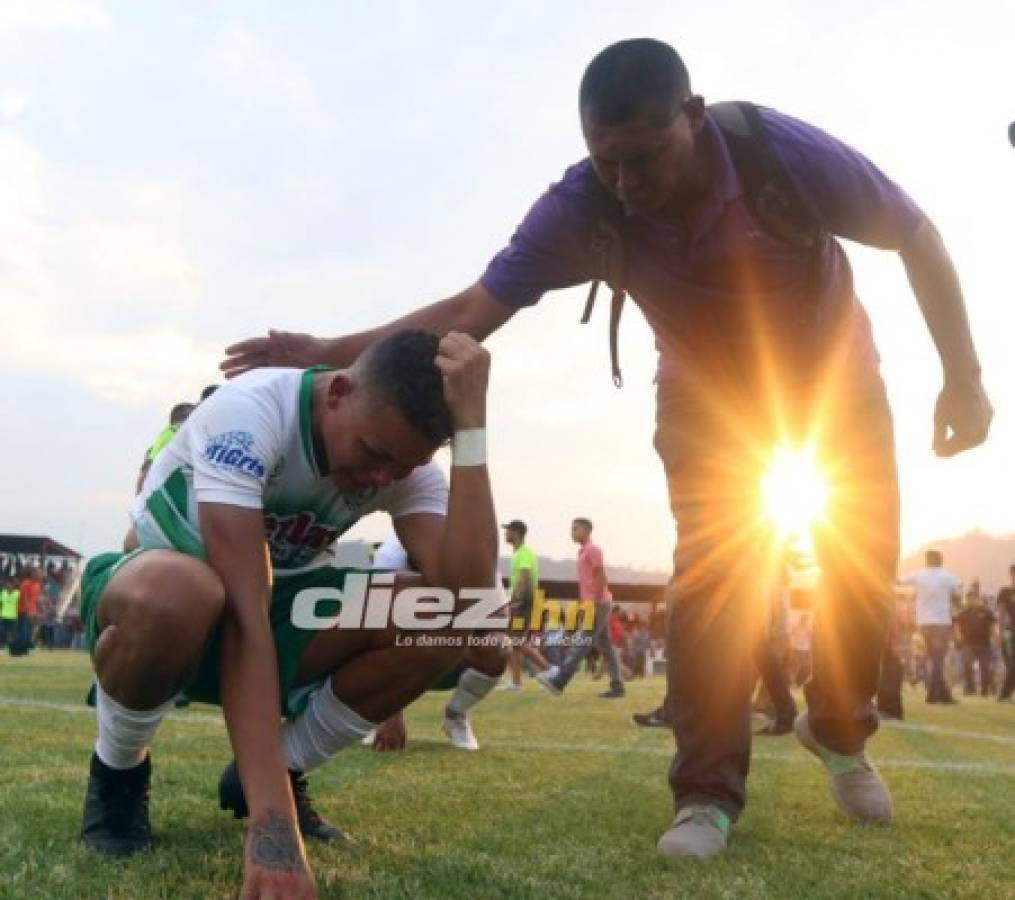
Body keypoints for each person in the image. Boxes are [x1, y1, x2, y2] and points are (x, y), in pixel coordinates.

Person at [220, 38, 992, 859]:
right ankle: (703, 794)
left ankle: (837, 730)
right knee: (715, 567)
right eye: (607, 161)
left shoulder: (780, 153)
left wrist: (963, 378)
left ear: (693, 118)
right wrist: (328, 349)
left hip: (836, 378)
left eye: (645, 158)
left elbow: (916, 234)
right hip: (704, 396)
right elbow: (472, 308)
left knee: (862, 564)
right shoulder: (583, 205)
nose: (627, 183)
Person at [78, 330, 497, 900]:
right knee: (181, 592)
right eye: (374, 454)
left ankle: (279, 768)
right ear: (338, 391)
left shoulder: (399, 460)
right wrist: (274, 832)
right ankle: (119, 772)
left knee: (438, 617)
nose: (382, 478)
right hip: (167, 602)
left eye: (402, 467)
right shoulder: (252, 411)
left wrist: (472, 432)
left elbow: (471, 602)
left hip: (282, 609)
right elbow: (244, 616)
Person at [365, 536, 509, 751]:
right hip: (400, 653)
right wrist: (389, 713)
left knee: (498, 645)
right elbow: (373, 634)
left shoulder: (478, 557)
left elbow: (498, 620)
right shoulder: (389, 558)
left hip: (450, 651)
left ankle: (455, 715)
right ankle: (371, 714)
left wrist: (452, 635)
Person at [538, 517, 624, 698]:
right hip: (590, 603)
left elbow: (601, 577)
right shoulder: (582, 552)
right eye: (572, 529)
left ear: (585, 530)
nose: (572, 532)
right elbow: (585, 582)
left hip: (598, 604)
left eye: (575, 529)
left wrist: (595, 602)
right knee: (606, 647)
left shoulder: (594, 550)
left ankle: (559, 682)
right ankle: (617, 686)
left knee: (581, 643)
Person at [901, 550, 962, 704]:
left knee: (933, 659)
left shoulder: (919, 575)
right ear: (940, 560)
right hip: (941, 622)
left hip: (923, 623)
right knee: (938, 660)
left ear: (927, 561)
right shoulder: (947, 576)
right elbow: (959, 588)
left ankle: (943, 694)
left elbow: (900, 581)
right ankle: (934, 695)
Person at [499, 520, 551, 691]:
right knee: (514, 641)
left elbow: (525, 577)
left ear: (516, 533)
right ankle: (516, 683)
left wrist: (517, 601)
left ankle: (550, 670)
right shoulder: (518, 553)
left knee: (516, 641)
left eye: (508, 531)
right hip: (523, 600)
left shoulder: (524, 552)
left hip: (525, 600)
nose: (505, 534)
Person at [135, 401, 196, 493]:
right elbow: (147, 467)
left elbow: (146, 467)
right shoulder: (173, 436)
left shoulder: (165, 436)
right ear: (186, 421)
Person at [954, 589, 997, 697]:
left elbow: (993, 625)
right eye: (968, 599)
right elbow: (956, 626)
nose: (971, 601)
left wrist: (995, 637)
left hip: (984, 644)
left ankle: (985, 690)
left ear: (978, 599)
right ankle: (970, 688)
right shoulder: (963, 613)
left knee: (985, 667)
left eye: (973, 598)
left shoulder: (986, 612)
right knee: (967, 664)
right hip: (968, 644)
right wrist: (958, 637)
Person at [997, 565, 1015, 702]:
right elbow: (1001, 614)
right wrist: (1001, 632)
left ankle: (1005, 694)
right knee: (1012, 664)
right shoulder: (1005, 592)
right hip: (1011, 631)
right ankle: (1004, 694)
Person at [0, 577, 18, 647]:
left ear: (13, 585)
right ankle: (2, 644)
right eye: (7, 584)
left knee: (13, 632)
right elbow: (1, 603)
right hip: (3, 615)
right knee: (2, 631)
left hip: (13, 616)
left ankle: (12, 644)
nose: (8, 585)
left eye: (10, 584)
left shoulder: (17, 593)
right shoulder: (3, 592)